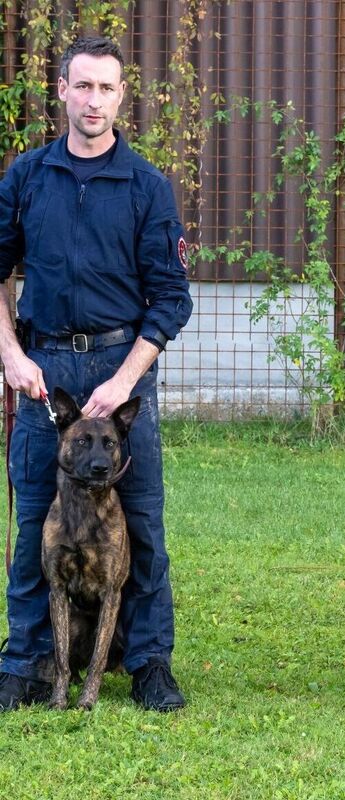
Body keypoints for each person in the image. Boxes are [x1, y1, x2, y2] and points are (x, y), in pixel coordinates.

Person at [0, 36, 193, 711]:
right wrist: (10, 354)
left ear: (121, 96)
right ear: (61, 90)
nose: (93, 100)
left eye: (106, 88)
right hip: (44, 365)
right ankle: (23, 662)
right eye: (82, 86)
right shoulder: (27, 177)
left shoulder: (145, 186)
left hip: (120, 364)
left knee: (140, 524)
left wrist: (128, 379)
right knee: (34, 522)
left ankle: (148, 664)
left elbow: (172, 299)